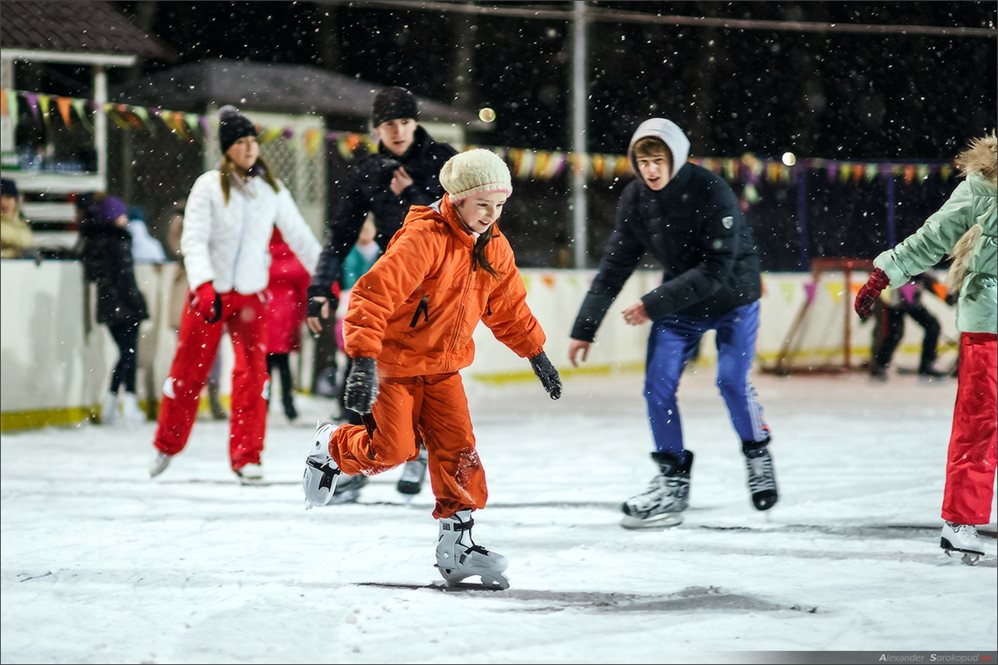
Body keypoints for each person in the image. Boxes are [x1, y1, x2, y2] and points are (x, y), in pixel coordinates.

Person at [302, 149, 562, 589]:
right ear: (457, 198)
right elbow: (372, 295)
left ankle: (457, 546)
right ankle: (332, 445)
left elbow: (508, 308)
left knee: (459, 451)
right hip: (395, 365)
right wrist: (363, 360)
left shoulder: (493, 245)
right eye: (483, 204)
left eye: (499, 206)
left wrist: (536, 352)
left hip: (444, 370)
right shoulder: (424, 238)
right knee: (392, 451)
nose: (491, 215)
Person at [567, 118, 776, 530]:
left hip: (733, 295)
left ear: (676, 158)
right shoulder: (636, 201)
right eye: (643, 161)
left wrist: (652, 304)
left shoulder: (713, 191)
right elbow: (613, 267)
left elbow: (716, 269)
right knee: (656, 387)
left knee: (731, 381)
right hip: (681, 300)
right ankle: (672, 481)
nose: (651, 170)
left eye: (658, 160)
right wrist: (583, 327)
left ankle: (757, 453)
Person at [150, 106, 321, 484]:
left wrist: (325, 277)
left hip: (250, 296)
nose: (248, 149)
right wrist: (204, 284)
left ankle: (248, 456)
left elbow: (300, 237)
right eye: (240, 143)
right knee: (188, 372)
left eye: (251, 142)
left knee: (253, 376)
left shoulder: (271, 190)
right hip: (210, 293)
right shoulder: (209, 186)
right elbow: (193, 240)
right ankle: (167, 443)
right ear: (227, 149)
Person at [307, 86, 457, 497]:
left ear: (415, 123)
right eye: (388, 124)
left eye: (404, 122)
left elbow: (457, 222)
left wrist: (409, 195)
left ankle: (418, 451)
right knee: (363, 369)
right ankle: (357, 458)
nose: (397, 130)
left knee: (423, 373)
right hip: (392, 281)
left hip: (437, 284)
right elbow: (340, 234)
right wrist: (320, 287)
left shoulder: (442, 160)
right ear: (377, 127)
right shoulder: (369, 169)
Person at [855, 132, 996, 564]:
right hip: (989, 320)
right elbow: (935, 235)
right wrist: (886, 273)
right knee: (980, 422)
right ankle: (960, 523)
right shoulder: (983, 184)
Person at [79, 195, 149, 426]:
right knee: (128, 354)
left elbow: (96, 274)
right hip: (125, 307)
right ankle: (126, 401)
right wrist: (139, 305)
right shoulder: (119, 240)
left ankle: (114, 403)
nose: (125, 218)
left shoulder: (95, 241)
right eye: (121, 214)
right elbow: (126, 278)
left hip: (109, 308)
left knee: (125, 354)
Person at [165, 198, 228, 421]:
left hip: (211, 289)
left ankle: (210, 395)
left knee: (214, 352)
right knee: (187, 351)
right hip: (191, 290)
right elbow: (177, 245)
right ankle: (185, 398)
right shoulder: (183, 222)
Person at [265, 227, 311, 422]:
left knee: (264, 367)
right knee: (284, 365)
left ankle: (263, 404)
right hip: (286, 316)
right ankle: (288, 405)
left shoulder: (262, 256)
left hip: (265, 316)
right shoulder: (293, 257)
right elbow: (304, 288)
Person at [867, 272, 948, 381]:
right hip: (900, 301)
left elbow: (930, 283)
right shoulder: (917, 266)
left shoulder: (922, 268)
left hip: (907, 299)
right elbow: (928, 282)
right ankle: (881, 365)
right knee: (896, 333)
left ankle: (881, 365)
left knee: (929, 327)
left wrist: (949, 297)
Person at [1, 178, 35, 258]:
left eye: (8, 197)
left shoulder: (21, 225)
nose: (3, 202)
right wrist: (15, 253)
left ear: (15, 200)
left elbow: (28, 244)